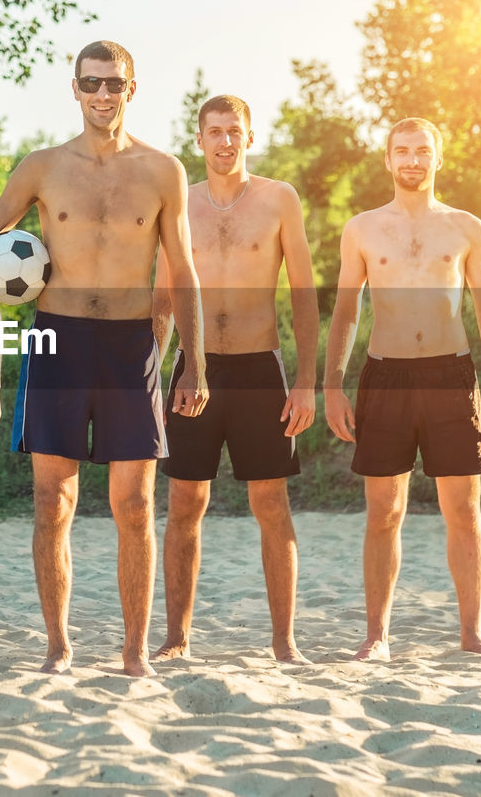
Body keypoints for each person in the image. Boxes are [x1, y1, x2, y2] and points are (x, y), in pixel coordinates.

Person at [0, 40, 208, 677]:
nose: (102, 95)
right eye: (91, 83)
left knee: (135, 505)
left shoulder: (163, 170)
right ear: (74, 89)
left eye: (114, 84)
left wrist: (194, 364)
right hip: (57, 342)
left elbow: (184, 273)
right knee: (51, 502)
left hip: (130, 347)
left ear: (131, 89)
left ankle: (134, 651)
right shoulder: (41, 167)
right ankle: (59, 645)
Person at [323, 117, 481, 661]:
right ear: (387, 160)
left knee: (464, 510)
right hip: (385, 377)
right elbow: (344, 311)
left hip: (452, 376)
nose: (412, 160)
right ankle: (377, 635)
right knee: (383, 510)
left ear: (438, 157)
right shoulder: (361, 229)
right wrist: (333, 384)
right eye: (402, 151)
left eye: (422, 151)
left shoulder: (466, 227)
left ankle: (472, 633)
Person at [151, 95, 318, 664]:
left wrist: (306, 382)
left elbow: (302, 295)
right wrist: (153, 374)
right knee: (183, 505)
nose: (224, 141)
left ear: (250, 137)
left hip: (259, 370)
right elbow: (162, 299)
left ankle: (284, 640)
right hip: (192, 370)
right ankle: (176, 638)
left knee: (272, 504)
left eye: (234, 131)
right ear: (198, 140)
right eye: (214, 132)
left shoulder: (278, 200)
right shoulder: (178, 204)